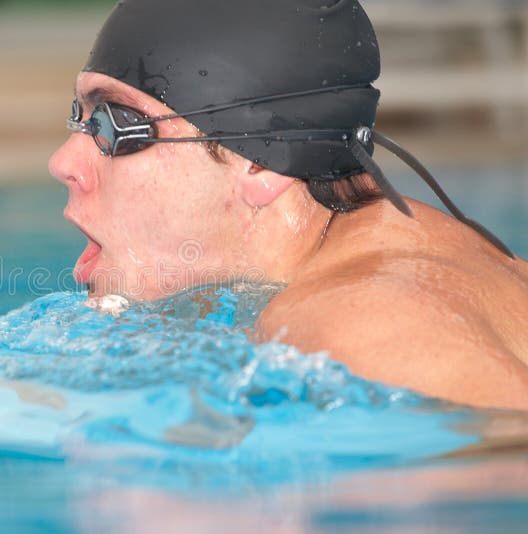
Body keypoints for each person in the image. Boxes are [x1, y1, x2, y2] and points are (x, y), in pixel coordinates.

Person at [48, 0, 528, 410]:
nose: (63, 162)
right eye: (80, 118)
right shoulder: (435, 263)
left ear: (261, 158)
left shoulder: (356, 318)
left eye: (116, 124)